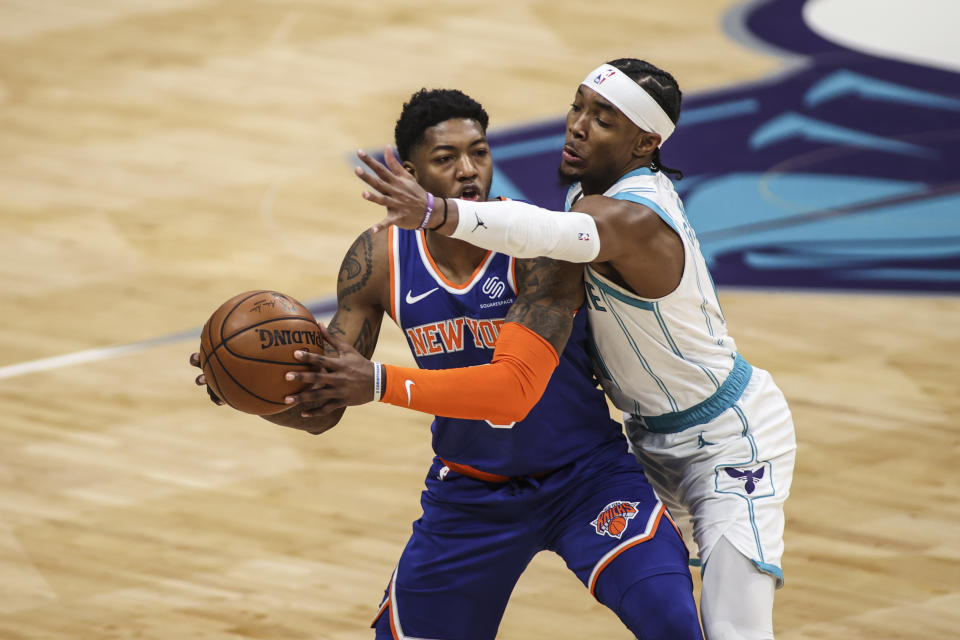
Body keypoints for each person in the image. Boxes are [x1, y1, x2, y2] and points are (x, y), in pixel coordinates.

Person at [192, 88, 703, 639]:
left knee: (675, 624)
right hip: (471, 493)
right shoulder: (378, 260)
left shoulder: (537, 244)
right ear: (410, 174)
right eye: (446, 159)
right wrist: (249, 387)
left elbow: (512, 391)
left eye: (479, 153)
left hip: (586, 478)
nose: (468, 171)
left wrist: (380, 382)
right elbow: (323, 408)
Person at [319, 59, 797, 640]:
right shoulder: (392, 255)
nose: (576, 126)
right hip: (614, 448)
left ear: (644, 142)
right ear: (413, 169)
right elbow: (318, 397)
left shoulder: (620, 215)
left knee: (722, 630)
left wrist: (438, 214)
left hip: (708, 440)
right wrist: (249, 381)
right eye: (577, 107)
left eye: (602, 119)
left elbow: (514, 374)